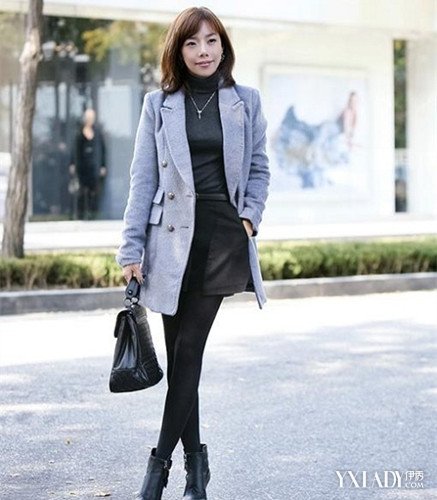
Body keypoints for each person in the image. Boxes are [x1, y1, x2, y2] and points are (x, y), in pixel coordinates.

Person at [116, 6, 270, 499]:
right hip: (170, 240)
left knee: (189, 351)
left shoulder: (246, 101)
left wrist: (249, 217)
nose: (203, 51)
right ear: (178, 50)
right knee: (183, 361)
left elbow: (259, 167)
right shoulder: (158, 104)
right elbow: (143, 179)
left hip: (223, 236)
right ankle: (196, 473)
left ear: (224, 46)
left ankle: (157, 470)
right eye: (192, 43)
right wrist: (131, 248)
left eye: (211, 41)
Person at [69, 108, 107, 219]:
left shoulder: (98, 133)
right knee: (81, 191)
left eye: (92, 118)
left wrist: (103, 165)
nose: (90, 120)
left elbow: (102, 150)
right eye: (88, 117)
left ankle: (92, 214)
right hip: (82, 166)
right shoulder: (79, 133)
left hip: (94, 167)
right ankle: (80, 215)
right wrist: (73, 163)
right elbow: (75, 150)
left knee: (93, 191)